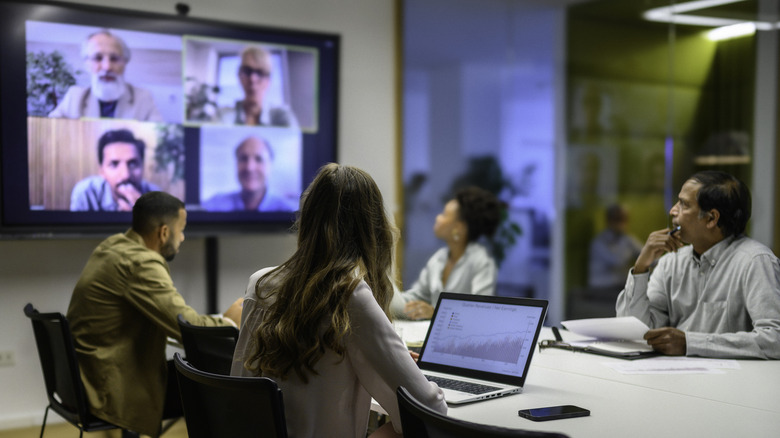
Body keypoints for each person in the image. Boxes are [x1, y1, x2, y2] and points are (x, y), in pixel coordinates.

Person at [231, 163, 446, 438]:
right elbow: (430, 411)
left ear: (307, 221)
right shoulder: (350, 295)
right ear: (373, 229)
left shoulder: (260, 283)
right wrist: (400, 369)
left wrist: (389, 359)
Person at [67, 191, 243, 436]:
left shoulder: (114, 246)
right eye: (181, 230)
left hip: (85, 376)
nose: (182, 238)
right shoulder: (140, 263)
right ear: (164, 232)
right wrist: (229, 322)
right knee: (218, 386)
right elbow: (187, 327)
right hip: (110, 385)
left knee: (202, 376)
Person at [616, 170, 780, 359]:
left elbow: (775, 339)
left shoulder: (755, 261)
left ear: (711, 218)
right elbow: (636, 332)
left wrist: (691, 343)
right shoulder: (671, 262)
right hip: (673, 380)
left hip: (732, 384)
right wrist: (641, 268)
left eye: (684, 205)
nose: (672, 211)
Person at [391, 186, 501, 320]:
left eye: (444, 214)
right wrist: (384, 286)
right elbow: (413, 300)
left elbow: (480, 313)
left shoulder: (482, 262)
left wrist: (435, 313)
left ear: (458, 228)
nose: (438, 218)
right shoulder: (439, 258)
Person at [49, 30, 162, 121]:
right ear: (87, 64)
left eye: (115, 59)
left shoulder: (143, 98)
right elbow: (50, 131)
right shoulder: (75, 96)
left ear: (125, 63)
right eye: (98, 58)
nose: (107, 67)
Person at [70, 128, 160, 211]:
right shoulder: (86, 193)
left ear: (142, 167)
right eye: (114, 164)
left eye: (132, 164)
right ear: (101, 171)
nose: (125, 175)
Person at [202, 136, 297, 211]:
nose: (249, 167)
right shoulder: (214, 205)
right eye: (243, 158)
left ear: (270, 165)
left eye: (259, 159)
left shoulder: (289, 210)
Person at [220, 45, 298, 127]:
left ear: (268, 80)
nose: (253, 79)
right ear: (239, 75)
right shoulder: (223, 115)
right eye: (247, 71)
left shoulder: (283, 116)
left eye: (260, 72)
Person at [588, 203, 642, 293]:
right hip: (602, 289)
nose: (622, 224)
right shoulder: (599, 242)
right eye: (618, 220)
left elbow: (645, 253)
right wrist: (629, 247)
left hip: (620, 286)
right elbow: (617, 261)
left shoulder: (626, 239)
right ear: (609, 221)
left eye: (624, 220)